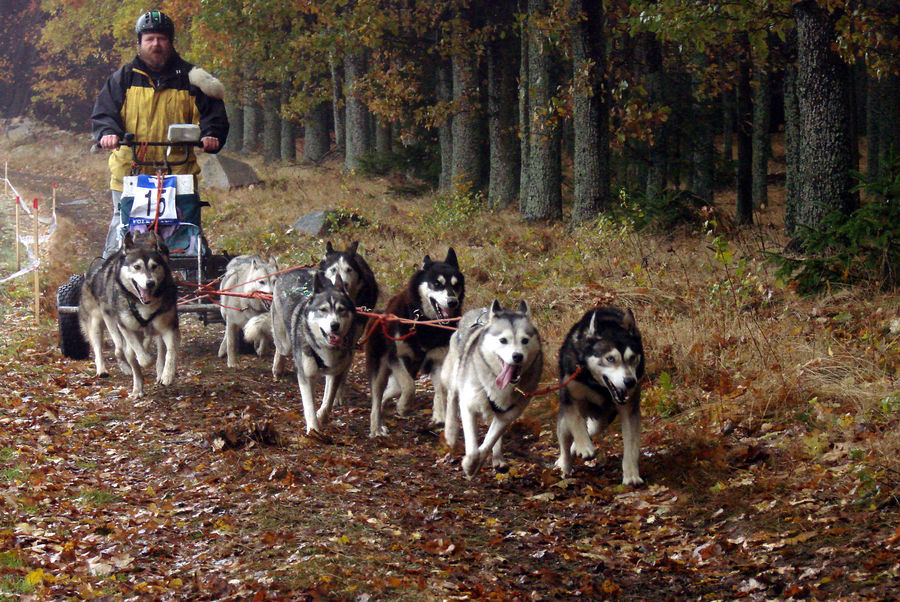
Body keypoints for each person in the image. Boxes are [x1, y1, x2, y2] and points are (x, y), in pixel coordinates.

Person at [91, 10, 229, 257]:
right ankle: (108, 274)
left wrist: (211, 134)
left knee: (186, 227)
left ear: (171, 41)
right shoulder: (123, 78)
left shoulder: (193, 78)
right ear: (140, 42)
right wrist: (107, 132)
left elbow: (214, 115)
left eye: (162, 38)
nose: (156, 44)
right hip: (131, 168)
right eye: (150, 38)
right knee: (121, 228)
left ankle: (193, 274)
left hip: (177, 170)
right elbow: (104, 112)